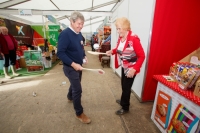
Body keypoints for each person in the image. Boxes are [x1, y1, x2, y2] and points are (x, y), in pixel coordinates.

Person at [106, 17, 145, 115]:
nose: (118, 31)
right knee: (123, 85)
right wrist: (112, 51)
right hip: (125, 66)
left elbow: (142, 56)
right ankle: (124, 100)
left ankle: (125, 106)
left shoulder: (133, 39)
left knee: (126, 87)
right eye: (117, 29)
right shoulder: (121, 38)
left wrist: (134, 69)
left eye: (119, 29)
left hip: (131, 68)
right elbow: (119, 49)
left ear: (126, 28)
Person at [57, 11, 90, 124]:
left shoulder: (79, 33)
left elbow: (81, 47)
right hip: (70, 67)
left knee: (75, 84)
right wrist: (73, 64)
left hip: (79, 66)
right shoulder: (65, 34)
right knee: (78, 89)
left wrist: (84, 56)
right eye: (79, 23)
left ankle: (69, 96)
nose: (81, 26)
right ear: (71, 21)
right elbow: (60, 53)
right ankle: (79, 113)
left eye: (82, 24)